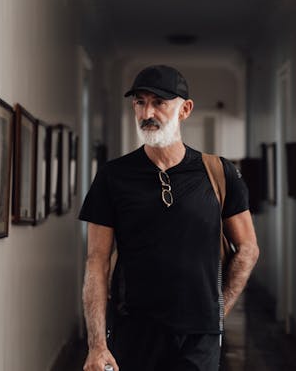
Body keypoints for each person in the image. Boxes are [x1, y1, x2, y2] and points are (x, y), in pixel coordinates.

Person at [79, 65, 259, 371]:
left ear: (185, 109)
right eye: (140, 102)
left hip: (198, 337)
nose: (147, 112)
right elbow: (96, 260)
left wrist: (216, 312)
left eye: (159, 102)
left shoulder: (218, 173)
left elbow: (248, 249)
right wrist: (97, 344)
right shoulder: (113, 177)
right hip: (133, 330)